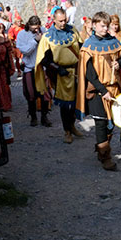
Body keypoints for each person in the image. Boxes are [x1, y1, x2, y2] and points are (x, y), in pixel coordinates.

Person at [76, 11, 121, 171]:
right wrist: (103, 91)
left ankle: (101, 149)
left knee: (112, 125)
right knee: (101, 123)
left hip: (114, 89)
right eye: (102, 26)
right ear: (94, 25)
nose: (105, 29)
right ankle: (105, 157)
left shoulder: (114, 42)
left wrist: (119, 64)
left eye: (107, 25)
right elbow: (89, 73)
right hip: (97, 91)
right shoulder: (88, 46)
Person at [35, 8, 83, 144]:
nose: (63, 23)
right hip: (61, 75)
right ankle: (67, 131)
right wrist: (57, 68)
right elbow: (44, 59)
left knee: (75, 104)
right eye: (60, 21)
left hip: (76, 72)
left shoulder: (73, 31)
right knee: (64, 105)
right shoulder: (48, 36)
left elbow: (82, 47)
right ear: (54, 20)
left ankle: (72, 126)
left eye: (65, 20)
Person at [16, 16, 52, 127]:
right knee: (31, 95)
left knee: (44, 94)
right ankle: (33, 117)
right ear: (29, 25)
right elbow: (25, 51)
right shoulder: (22, 34)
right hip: (30, 68)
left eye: (37, 27)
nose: (36, 30)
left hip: (42, 68)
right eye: (34, 28)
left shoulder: (44, 31)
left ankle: (44, 117)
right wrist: (35, 41)